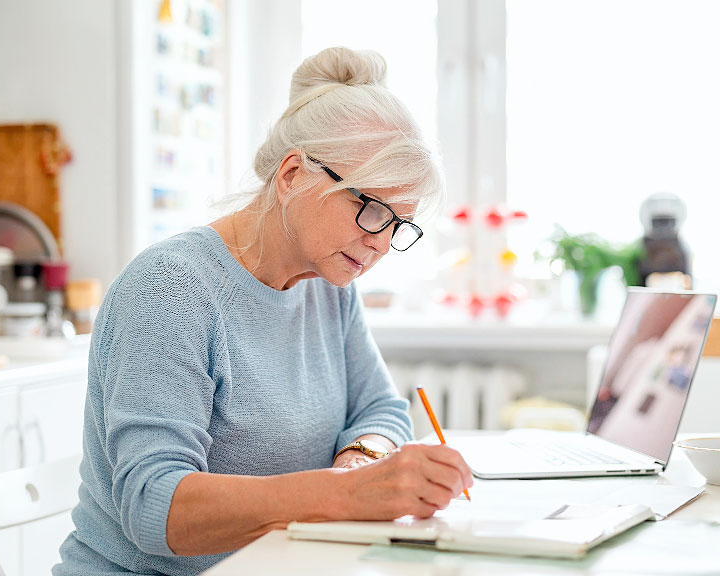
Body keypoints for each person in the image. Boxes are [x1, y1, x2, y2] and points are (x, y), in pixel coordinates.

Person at [54, 47, 474, 576]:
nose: (381, 243)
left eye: (399, 224)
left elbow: (381, 410)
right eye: (369, 208)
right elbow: (155, 507)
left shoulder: (327, 284)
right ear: (293, 174)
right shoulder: (171, 289)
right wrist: (346, 496)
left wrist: (361, 459)